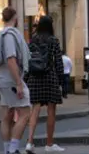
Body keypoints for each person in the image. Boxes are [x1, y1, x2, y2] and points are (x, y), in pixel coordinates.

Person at [24, 15, 66, 153]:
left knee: (34, 109)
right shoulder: (53, 41)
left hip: (35, 78)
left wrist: (26, 78)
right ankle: (49, 143)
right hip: (49, 77)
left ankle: (30, 142)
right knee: (51, 110)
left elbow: (28, 60)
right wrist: (61, 81)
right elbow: (58, 62)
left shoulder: (33, 40)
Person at [0, 7, 31, 154]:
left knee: (6, 115)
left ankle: (7, 149)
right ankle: (12, 149)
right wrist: (19, 83)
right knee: (25, 113)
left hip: (2, 78)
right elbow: (11, 60)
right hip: (12, 79)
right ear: (15, 18)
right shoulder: (10, 35)